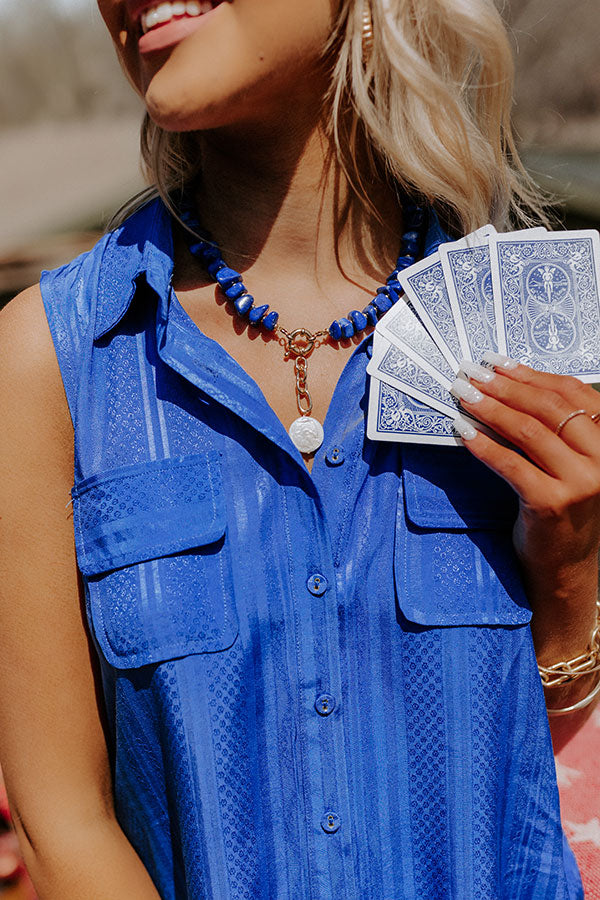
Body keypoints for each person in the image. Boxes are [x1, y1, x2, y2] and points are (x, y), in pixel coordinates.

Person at [0, 0, 598, 897]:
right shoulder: (50, 360)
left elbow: (548, 791)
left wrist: (571, 586)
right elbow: (62, 824)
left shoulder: (539, 335)